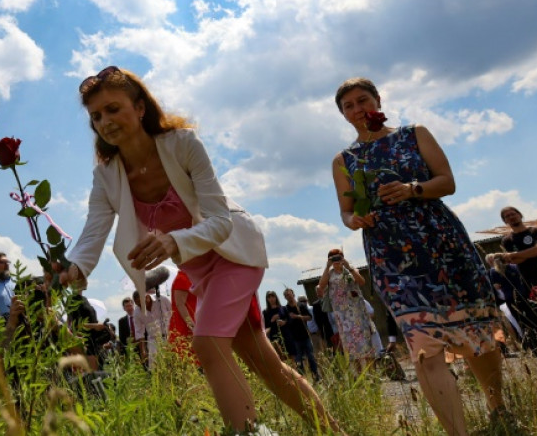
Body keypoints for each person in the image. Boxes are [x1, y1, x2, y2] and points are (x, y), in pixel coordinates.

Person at [62, 66, 339, 433]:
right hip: (199, 269)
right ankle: (334, 432)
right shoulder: (107, 174)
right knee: (263, 363)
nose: (104, 121)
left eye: (113, 109)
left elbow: (220, 220)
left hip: (234, 251)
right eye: (95, 116)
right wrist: (73, 269)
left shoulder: (182, 144)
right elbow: (92, 232)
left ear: (140, 107)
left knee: (207, 345)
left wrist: (172, 241)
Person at [332, 77, 507, 435]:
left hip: (442, 244)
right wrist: (356, 220)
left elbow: (447, 181)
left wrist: (413, 189)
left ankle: (498, 409)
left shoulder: (414, 134)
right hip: (391, 257)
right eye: (347, 105)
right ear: (344, 115)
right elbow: (346, 212)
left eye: (362, 100)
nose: (356, 109)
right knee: (422, 343)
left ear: (378, 100)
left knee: (476, 329)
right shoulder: (344, 160)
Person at [499, 206, 537, 352]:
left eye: (513, 214)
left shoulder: (534, 232)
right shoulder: (507, 240)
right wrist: (530, 253)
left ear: (520, 215)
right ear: (505, 221)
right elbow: (514, 261)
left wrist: (519, 254)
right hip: (526, 281)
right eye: (507, 216)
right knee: (535, 312)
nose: (511, 217)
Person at [316, 250, 374, 371]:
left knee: (365, 342)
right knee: (351, 345)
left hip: (357, 312)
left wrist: (348, 266)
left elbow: (361, 282)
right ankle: (359, 375)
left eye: (339, 257)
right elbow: (321, 286)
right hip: (343, 316)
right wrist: (327, 266)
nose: (336, 260)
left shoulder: (351, 270)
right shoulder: (329, 274)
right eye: (333, 258)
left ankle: (372, 372)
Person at [282, 288, 320, 381]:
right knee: (299, 361)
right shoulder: (286, 309)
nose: (289, 296)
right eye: (286, 295)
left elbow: (309, 317)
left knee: (311, 358)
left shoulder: (301, 305)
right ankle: (302, 381)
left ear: (293, 294)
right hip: (295, 338)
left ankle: (316, 378)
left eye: (290, 294)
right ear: (285, 297)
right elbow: (286, 322)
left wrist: (298, 316)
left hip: (306, 336)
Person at [132, 289, 172, 369]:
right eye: (138, 305)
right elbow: (139, 332)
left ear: (147, 297)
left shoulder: (162, 299)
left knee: (173, 363)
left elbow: (174, 312)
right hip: (153, 341)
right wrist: (143, 350)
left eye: (141, 303)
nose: (140, 306)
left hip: (170, 336)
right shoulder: (137, 312)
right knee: (155, 367)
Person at [168, 270, 198, 363]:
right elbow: (180, 304)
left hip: (192, 323)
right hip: (184, 327)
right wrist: (192, 326)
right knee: (188, 359)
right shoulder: (182, 278)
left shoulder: (189, 277)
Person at [262, 291, 291, 358]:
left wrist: (284, 322)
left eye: (273, 296)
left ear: (276, 297)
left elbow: (290, 320)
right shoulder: (265, 312)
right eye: (269, 297)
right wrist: (272, 320)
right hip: (275, 337)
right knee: (280, 357)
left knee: (291, 356)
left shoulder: (283, 308)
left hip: (286, 335)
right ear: (267, 299)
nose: (271, 298)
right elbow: (265, 326)